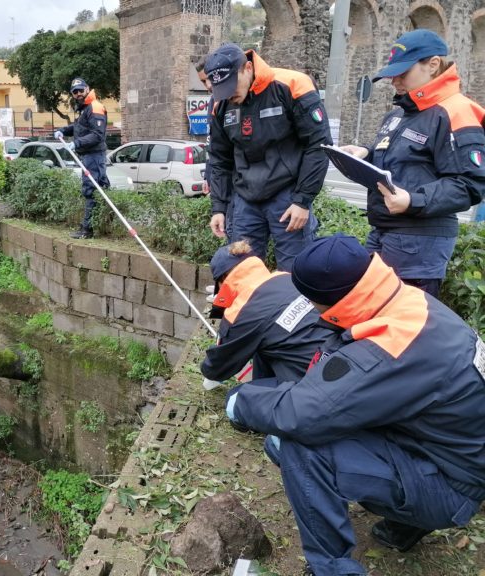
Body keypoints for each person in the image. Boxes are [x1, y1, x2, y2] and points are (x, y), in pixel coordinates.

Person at [225, 234, 485, 576]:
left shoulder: (386, 346)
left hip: (451, 486)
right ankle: (404, 527)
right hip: (456, 457)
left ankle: (332, 569)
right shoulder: (408, 301)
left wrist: (241, 402)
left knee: (301, 444)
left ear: (324, 301)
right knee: (334, 413)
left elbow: (300, 415)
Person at [341, 29, 485, 297]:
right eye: (392, 72)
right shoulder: (400, 114)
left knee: (406, 324)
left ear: (432, 65)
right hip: (384, 229)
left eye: (403, 72)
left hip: (420, 240)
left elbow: (469, 185)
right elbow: (406, 164)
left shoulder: (456, 110)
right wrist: (365, 154)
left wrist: (413, 200)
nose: (394, 80)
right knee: (373, 313)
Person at [205, 43, 332, 271]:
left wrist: (302, 200)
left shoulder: (292, 85)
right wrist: (219, 207)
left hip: (288, 196)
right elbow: (219, 159)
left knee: (296, 272)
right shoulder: (221, 104)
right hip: (245, 198)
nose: (228, 94)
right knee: (241, 270)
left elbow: (318, 145)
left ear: (248, 68)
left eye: (231, 85)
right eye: (221, 88)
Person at [201, 240, 330, 385]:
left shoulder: (241, 311)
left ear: (223, 280)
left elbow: (217, 368)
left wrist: (206, 368)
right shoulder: (286, 277)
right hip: (337, 358)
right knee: (264, 342)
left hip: (313, 385)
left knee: (237, 400)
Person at [54, 77, 110, 240]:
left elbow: (97, 135)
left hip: (94, 155)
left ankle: (87, 229)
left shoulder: (95, 107)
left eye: (80, 90)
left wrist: (76, 143)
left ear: (87, 89)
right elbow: (79, 127)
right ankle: (104, 224)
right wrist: (63, 131)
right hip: (88, 155)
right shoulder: (84, 109)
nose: (78, 93)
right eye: (75, 91)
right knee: (102, 188)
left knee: (90, 190)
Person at [195, 55, 213, 196]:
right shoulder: (212, 101)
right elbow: (211, 144)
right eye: (203, 81)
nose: (208, 85)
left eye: (210, 78)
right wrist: (208, 176)